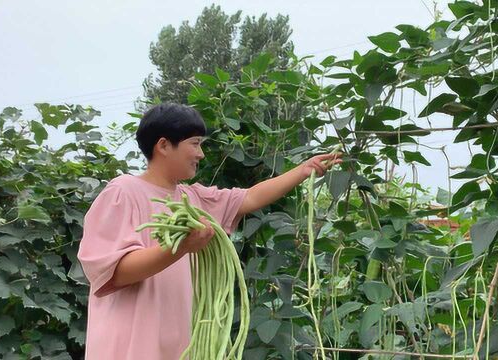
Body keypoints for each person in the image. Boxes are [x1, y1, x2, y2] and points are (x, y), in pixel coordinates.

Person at [76, 103, 340, 359]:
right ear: (164, 146)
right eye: (195, 143)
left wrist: (303, 170)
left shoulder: (193, 199)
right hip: (129, 347)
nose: (200, 154)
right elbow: (115, 272)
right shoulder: (123, 191)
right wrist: (180, 247)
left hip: (177, 347)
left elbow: (249, 198)